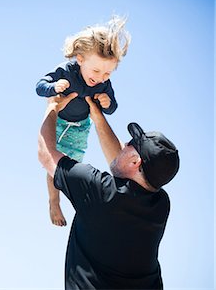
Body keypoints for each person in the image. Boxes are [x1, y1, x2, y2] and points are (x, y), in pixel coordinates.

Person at [38, 93, 180, 289]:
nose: (124, 144)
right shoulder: (160, 205)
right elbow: (125, 168)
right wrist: (96, 115)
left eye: (130, 145)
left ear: (135, 161)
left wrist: (52, 107)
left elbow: (46, 156)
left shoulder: (99, 190)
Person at [36, 16, 131, 226]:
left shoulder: (104, 84)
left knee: (71, 166)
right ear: (80, 59)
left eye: (107, 73)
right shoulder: (66, 72)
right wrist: (53, 88)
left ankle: (75, 202)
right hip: (59, 123)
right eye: (96, 71)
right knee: (55, 165)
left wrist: (107, 103)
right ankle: (54, 200)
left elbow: (113, 108)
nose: (100, 78)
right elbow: (39, 86)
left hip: (81, 128)